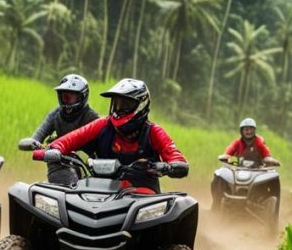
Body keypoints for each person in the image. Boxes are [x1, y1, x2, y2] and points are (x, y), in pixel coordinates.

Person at [43, 78, 188, 193]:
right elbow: (71, 138)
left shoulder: (154, 132)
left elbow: (177, 158)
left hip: (143, 195)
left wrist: (169, 167)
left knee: (181, 205)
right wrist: (55, 148)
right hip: (100, 190)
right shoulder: (103, 124)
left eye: (125, 104)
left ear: (140, 105)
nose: (119, 109)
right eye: (117, 104)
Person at [18, 74, 100, 185]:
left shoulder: (92, 117)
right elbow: (40, 133)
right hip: (61, 161)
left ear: (82, 97)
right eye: (64, 97)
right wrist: (32, 142)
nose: (66, 102)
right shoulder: (55, 114)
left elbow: (104, 144)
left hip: (89, 166)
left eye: (70, 98)